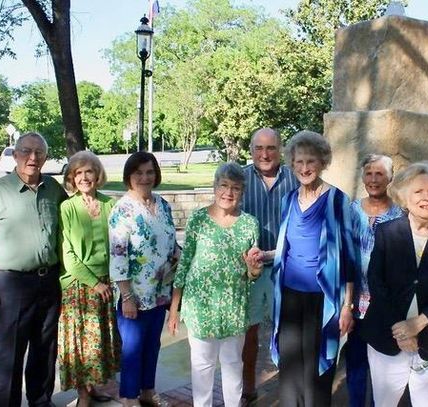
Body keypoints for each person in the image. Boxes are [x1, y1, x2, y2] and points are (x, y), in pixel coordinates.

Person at [360, 161, 428, 407]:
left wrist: (418, 323)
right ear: (405, 199)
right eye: (418, 192)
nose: (426, 197)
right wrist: (400, 328)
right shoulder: (387, 232)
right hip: (387, 337)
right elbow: (376, 281)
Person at [269, 130, 355, 406]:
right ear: (292, 164)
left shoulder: (337, 201)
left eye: (311, 161)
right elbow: (286, 249)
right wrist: (263, 256)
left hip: (323, 298)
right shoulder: (288, 201)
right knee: (290, 366)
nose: (305, 168)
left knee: (317, 369)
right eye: (299, 162)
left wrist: (347, 306)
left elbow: (350, 257)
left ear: (322, 163)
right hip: (290, 296)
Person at [168, 162, 262, 407]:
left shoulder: (250, 224)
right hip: (200, 309)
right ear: (214, 187)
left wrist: (253, 270)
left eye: (236, 188)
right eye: (223, 185)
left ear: (242, 192)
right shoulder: (199, 220)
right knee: (202, 367)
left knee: (232, 366)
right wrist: (174, 309)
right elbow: (184, 264)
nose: (228, 193)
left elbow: (251, 274)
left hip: (233, 309)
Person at [0, 132, 68, 406]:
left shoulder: (54, 188)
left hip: (48, 281)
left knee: (45, 348)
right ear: (15, 155)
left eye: (39, 153)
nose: (33, 158)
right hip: (12, 284)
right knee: (9, 351)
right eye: (26, 151)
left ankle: (41, 401)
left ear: (46, 157)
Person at [109, 152, 180, 407]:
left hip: (160, 291)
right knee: (132, 350)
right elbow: (118, 257)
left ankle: (147, 391)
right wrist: (127, 297)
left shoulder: (162, 204)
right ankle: (129, 397)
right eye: (139, 173)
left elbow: (172, 246)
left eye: (150, 172)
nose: (144, 177)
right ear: (129, 176)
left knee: (152, 345)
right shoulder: (122, 210)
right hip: (134, 296)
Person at [57, 151, 120, 407]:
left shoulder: (109, 204)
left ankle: (93, 388)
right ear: (72, 178)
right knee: (80, 344)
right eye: (78, 173)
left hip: (106, 281)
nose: (84, 177)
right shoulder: (67, 207)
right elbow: (68, 255)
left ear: (97, 174)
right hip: (79, 285)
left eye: (89, 171)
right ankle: (83, 395)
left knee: (99, 343)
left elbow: (119, 246)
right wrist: (95, 283)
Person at [241, 127, 298, 403]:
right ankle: (248, 387)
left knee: (287, 330)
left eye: (271, 148)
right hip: (249, 270)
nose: (265, 154)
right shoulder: (238, 178)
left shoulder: (294, 178)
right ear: (251, 150)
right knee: (249, 332)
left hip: (285, 267)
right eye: (259, 148)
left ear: (281, 150)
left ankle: (289, 386)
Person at [345, 154, 403, 407]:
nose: (373, 179)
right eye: (369, 173)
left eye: (379, 174)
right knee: (355, 366)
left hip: (384, 306)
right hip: (354, 303)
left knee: (384, 372)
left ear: (390, 178)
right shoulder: (351, 211)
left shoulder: (401, 216)